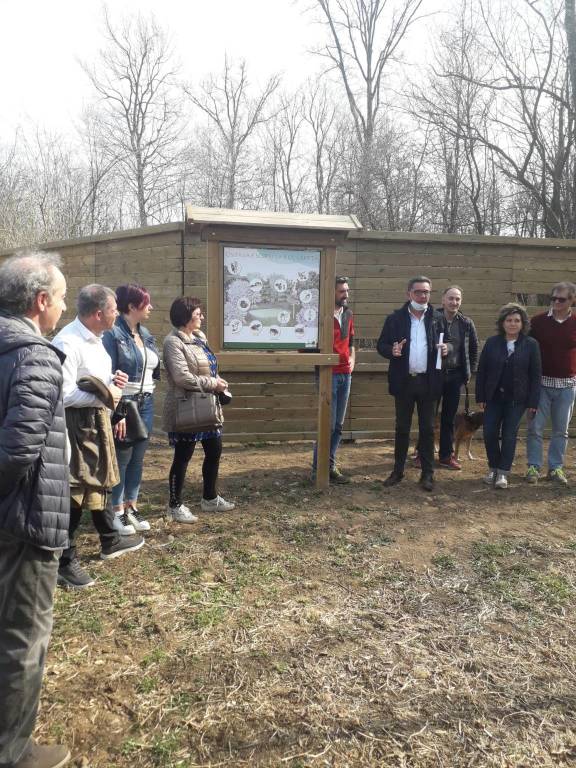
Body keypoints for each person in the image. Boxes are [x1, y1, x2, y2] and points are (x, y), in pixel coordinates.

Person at [0, 252, 71, 768]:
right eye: (62, 298)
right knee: (22, 638)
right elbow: (18, 452)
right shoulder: (36, 356)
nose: (63, 309)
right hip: (24, 522)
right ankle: (13, 752)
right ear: (40, 301)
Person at [52, 285, 144, 590]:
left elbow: (97, 385)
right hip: (75, 427)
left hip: (96, 423)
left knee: (100, 481)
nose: (117, 312)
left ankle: (110, 540)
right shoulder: (68, 342)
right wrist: (106, 395)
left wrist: (111, 385)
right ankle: (64, 563)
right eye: (113, 308)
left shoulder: (98, 339)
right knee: (77, 491)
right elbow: (62, 395)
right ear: (97, 313)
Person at [163, 297, 235, 521]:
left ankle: (210, 499)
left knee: (214, 450)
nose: (202, 317)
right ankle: (175, 506)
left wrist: (219, 382)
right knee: (183, 456)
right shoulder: (173, 342)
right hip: (185, 407)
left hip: (207, 407)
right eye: (198, 314)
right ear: (186, 317)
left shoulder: (200, 338)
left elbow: (210, 368)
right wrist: (213, 384)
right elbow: (182, 377)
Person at [377, 276, 447, 492]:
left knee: (427, 429)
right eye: (418, 292)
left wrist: (448, 349)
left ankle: (427, 474)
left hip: (429, 382)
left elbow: (450, 343)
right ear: (409, 294)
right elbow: (381, 345)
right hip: (405, 382)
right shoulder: (395, 319)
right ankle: (398, 471)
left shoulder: (437, 318)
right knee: (402, 428)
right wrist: (392, 350)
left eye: (426, 292)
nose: (423, 296)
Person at [103, 284, 160, 532]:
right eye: (146, 303)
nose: (151, 307)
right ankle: (116, 511)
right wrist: (117, 412)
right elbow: (108, 375)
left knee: (138, 458)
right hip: (126, 403)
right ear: (132, 306)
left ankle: (131, 507)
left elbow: (153, 366)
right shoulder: (113, 335)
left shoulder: (145, 333)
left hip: (147, 401)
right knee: (123, 458)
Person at [476, 303, 541, 489]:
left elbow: (536, 375)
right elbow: (482, 372)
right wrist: (481, 396)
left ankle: (503, 473)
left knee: (509, 435)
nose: (513, 324)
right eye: (509, 320)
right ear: (502, 323)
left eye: (517, 321)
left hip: (517, 400)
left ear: (523, 323)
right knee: (489, 433)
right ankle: (493, 468)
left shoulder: (531, 345)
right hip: (493, 398)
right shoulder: (492, 343)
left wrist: (533, 401)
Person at [420, 285, 479, 470]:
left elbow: (473, 350)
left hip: (455, 377)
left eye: (458, 299)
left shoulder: (466, 323)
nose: (454, 302)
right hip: (433, 375)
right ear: (443, 300)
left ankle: (446, 456)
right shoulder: (431, 319)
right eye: (451, 298)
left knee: (449, 419)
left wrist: (469, 373)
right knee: (429, 417)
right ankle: (424, 455)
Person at [525, 282, 576, 486]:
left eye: (561, 299)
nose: (556, 302)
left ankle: (555, 468)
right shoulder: (537, 322)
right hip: (541, 385)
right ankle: (533, 466)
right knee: (535, 428)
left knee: (560, 431)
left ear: (572, 300)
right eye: (553, 298)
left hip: (567, 387)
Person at [312, 276, 356, 483]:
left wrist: (353, 360)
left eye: (347, 290)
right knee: (326, 426)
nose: (346, 294)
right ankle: (317, 470)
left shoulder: (348, 313)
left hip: (345, 374)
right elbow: (307, 346)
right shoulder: (319, 316)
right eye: (341, 291)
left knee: (338, 426)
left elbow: (352, 341)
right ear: (330, 293)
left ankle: (330, 466)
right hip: (327, 375)